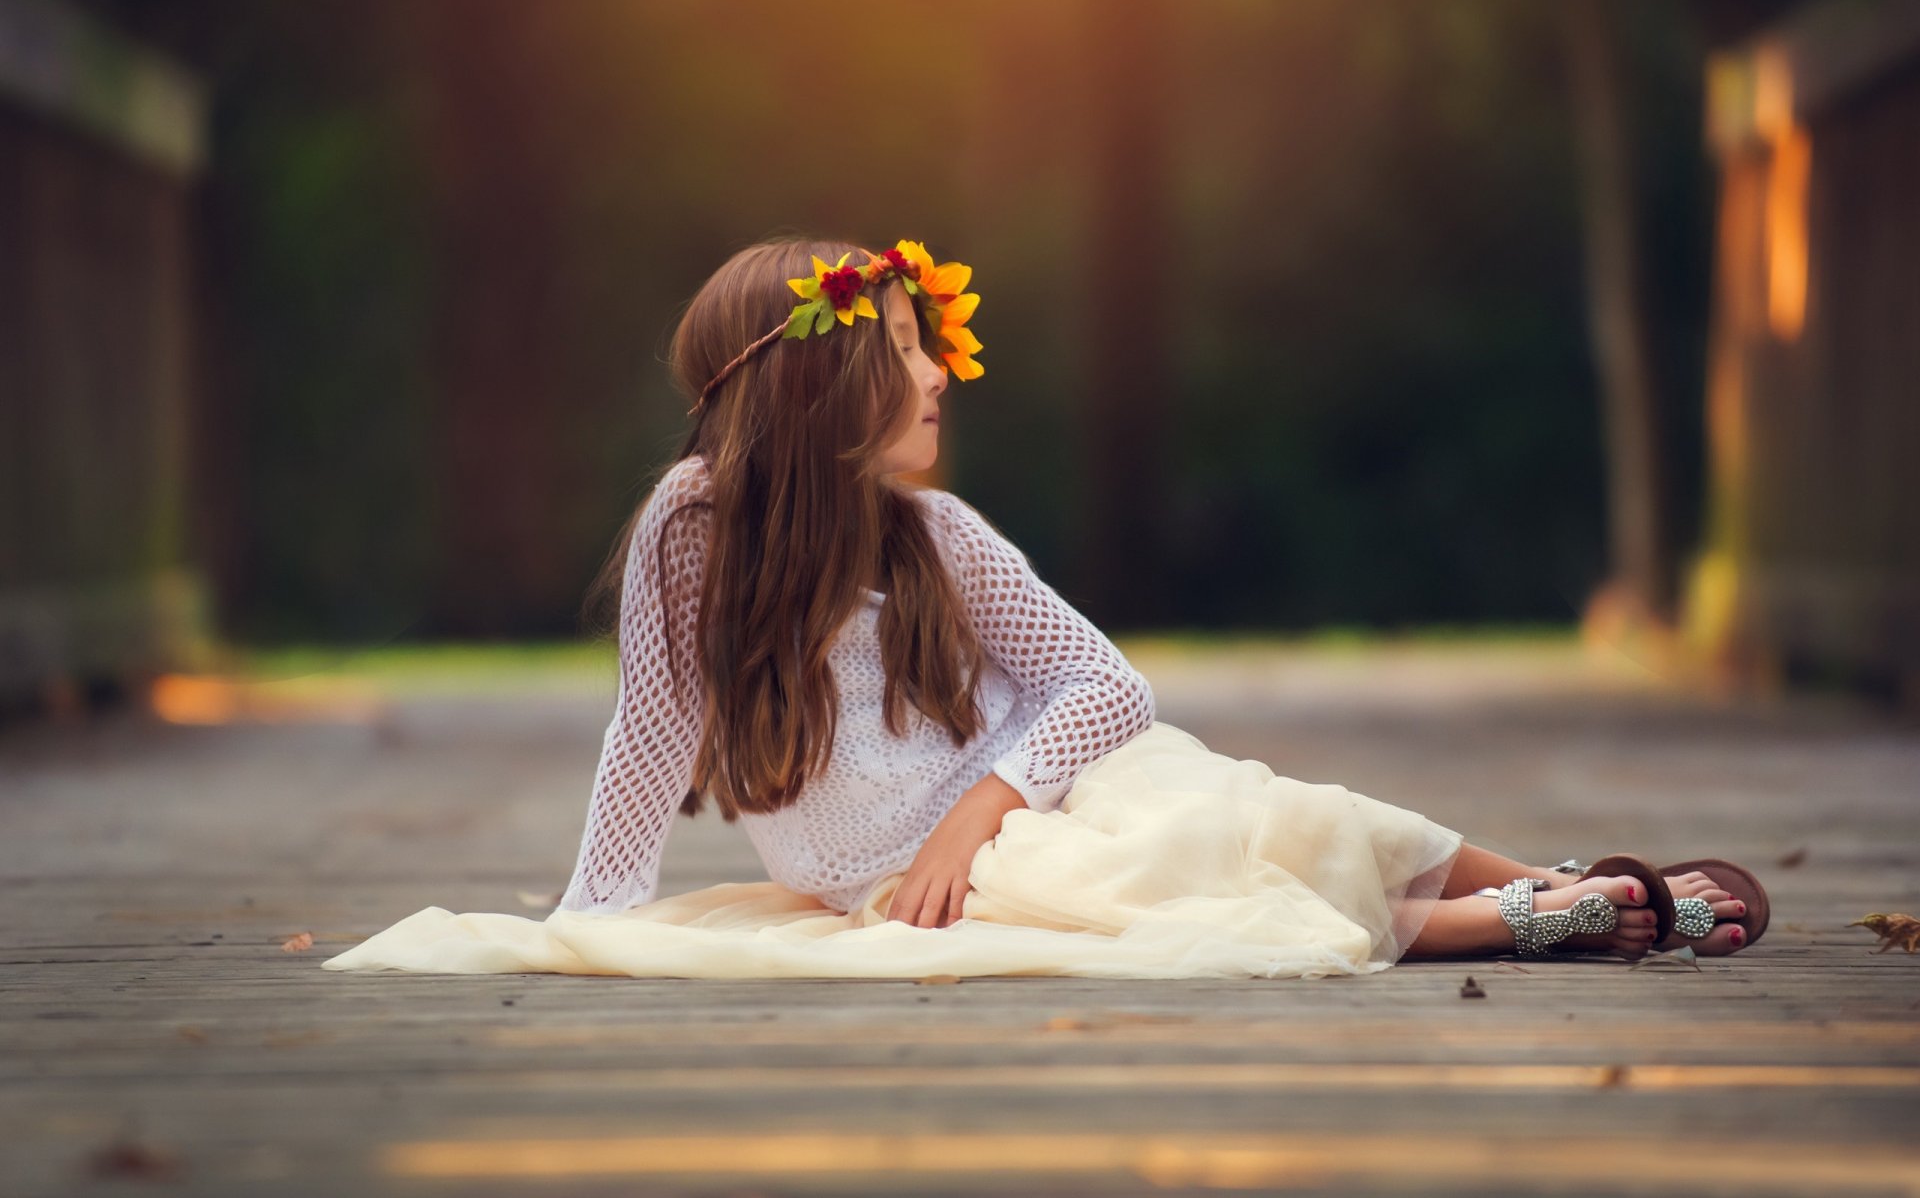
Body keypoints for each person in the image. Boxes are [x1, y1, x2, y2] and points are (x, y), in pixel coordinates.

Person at [322, 236, 1766, 980]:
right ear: (816, 380)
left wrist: (978, 805)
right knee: (1152, 896)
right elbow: (648, 737)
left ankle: (1559, 879)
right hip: (924, 881)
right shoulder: (690, 532)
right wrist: (596, 915)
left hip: (1025, 800)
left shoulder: (936, 535)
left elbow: (1107, 688)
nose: (942, 372)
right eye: (903, 345)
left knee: (1243, 806)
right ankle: (1536, 921)